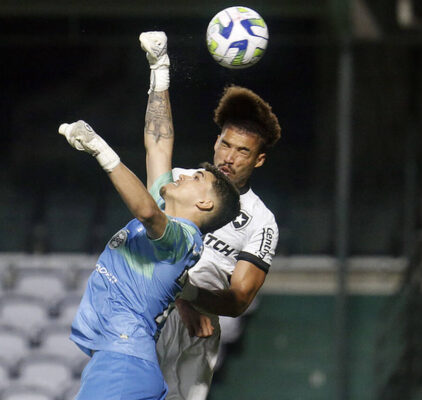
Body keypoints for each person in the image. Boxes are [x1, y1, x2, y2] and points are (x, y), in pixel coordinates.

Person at [139, 31, 281, 400]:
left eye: (242, 151)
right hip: (154, 309)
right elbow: (157, 144)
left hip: (197, 328)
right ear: (215, 141)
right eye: (225, 144)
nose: (228, 157)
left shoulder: (261, 221)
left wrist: (188, 296)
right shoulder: (183, 183)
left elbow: (238, 300)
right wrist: (159, 73)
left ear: (259, 159)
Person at [58, 119, 240, 400]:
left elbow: (147, 211)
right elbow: (156, 147)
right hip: (124, 362)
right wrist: (159, 76)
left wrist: (99, 149)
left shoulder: (182, 237)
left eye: (196, 178)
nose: (182, 175)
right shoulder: (171, 235)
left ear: (204, 204)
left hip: (123, 362)